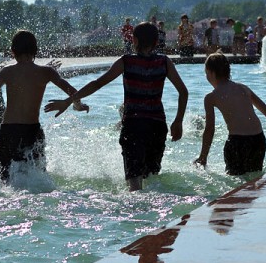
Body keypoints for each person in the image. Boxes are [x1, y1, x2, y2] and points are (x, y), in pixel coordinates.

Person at [45, 22, 188, 192]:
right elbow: (183, 92)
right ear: (157, 42)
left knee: (134, 182)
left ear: (133, 40)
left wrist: (69, 101)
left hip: (133, 126)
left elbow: (97, 83)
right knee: (151, 177)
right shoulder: (164, 62)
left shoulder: (126, 61)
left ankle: (139, 214)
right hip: (157, 126)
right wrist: (178, 121)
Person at [0, 30, 89, 184]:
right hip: (33, 132)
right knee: (38, 176)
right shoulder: (46, 72)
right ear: (35, 51)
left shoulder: (7, 72)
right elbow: (74, 92)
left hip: (8, 132)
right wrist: (77, 105)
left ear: (12, 52)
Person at [194, 52, 266, 175]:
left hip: (237, 142)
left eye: (206, 73)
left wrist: (203, 157)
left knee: (235, 183)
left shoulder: (211, 97)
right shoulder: (243, 88)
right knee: (254, 178)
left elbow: (209, 129)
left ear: (211, 73)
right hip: (258, 140)